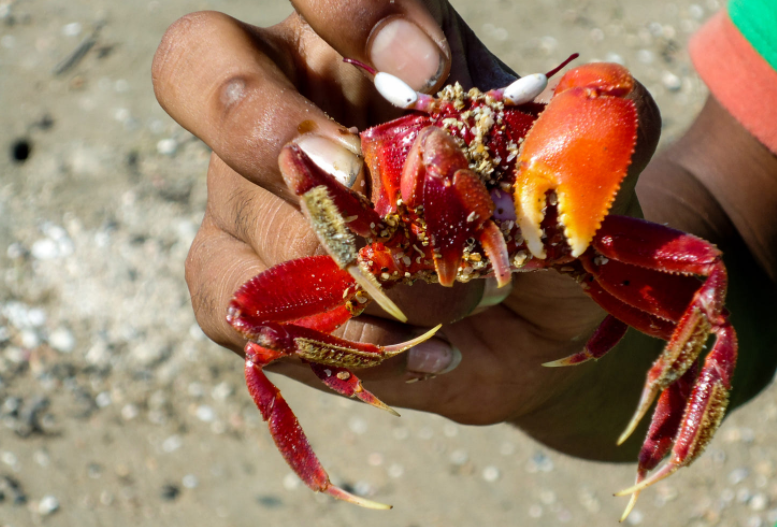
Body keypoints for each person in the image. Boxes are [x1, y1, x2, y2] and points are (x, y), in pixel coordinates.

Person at [151, 0, 777, 464]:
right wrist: (558, 368)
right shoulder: (388, 150)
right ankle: (323, 468)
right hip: (398, 236)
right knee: (256, 323)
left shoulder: (542, 172)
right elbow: (733, 209)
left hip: (551, 225)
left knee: (705, 296)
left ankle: (666, 444)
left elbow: (714, 277)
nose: (464, 138)